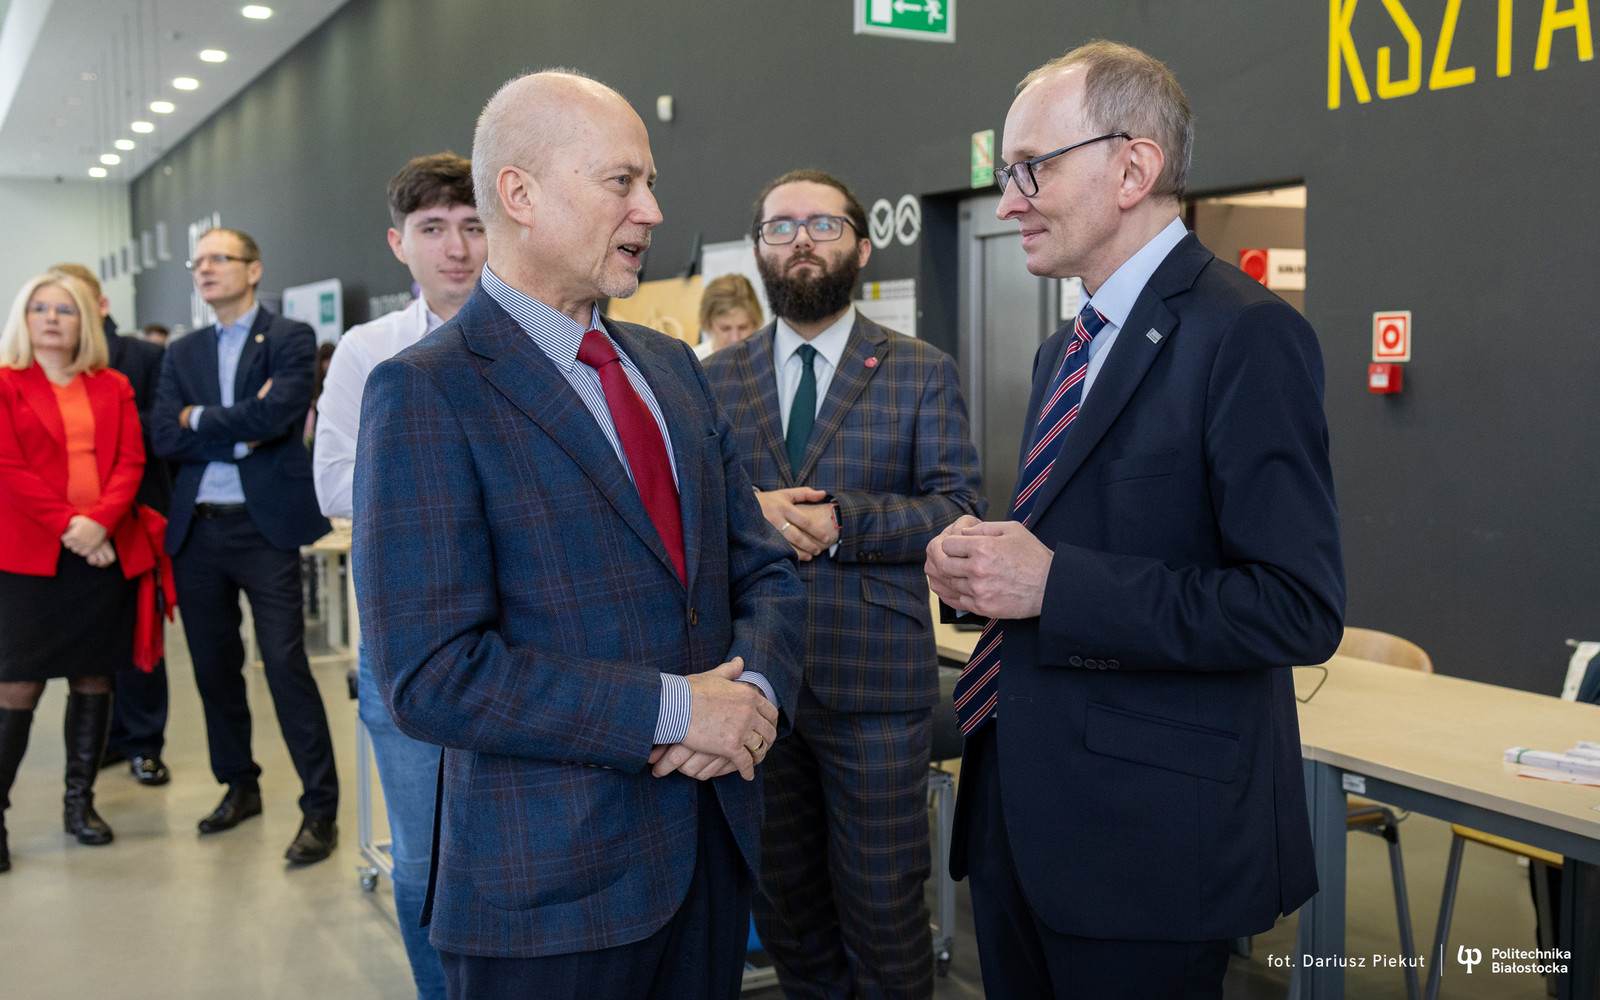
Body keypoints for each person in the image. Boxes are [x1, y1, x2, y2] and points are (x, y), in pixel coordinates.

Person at [353, 70, 805, 1000]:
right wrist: (676, 712)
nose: (651, 210)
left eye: (650, 183)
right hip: (550, 898)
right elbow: (431, 673)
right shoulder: (426, 391)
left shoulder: (673, 369)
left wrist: (753, 692)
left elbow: (759, 568)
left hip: (711, 856)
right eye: (621, 182)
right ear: (519, 194)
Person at [923, 42, 1345, 999]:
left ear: (1133, 168)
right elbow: (1083, 545)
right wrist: (980, 576)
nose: (1008, 201)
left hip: (1145, 845)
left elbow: (1296, 607)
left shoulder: (1247, 335)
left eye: (1031, 168)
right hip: (1020, 823)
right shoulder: (1064, 350)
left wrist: (1053, 583)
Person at [703, 169, 983, 999]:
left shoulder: (920, 370)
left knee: (883, 907)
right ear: (759, 249)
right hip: (753, 682)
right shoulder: (713, 379)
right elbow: (688, 514)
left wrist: (843, 524)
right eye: (780, 226)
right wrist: (746, 511)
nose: (800, 240)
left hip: (875, 686)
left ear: (862, 248)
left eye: (822, 224)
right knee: (786, 905)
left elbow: (958, 508)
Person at [313, 150, 487, 1000]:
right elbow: (333, 483)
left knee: (517, 853)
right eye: (432, 228)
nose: (455, 247)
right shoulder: (369, 351)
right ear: (399, 243)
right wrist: (470, 485)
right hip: (408, 641)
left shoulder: (538, 337)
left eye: (473, 225)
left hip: (526, 639)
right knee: (423, 854)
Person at [152, 227, 338, 864]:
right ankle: (239, 786)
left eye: (219, 258)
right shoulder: (183, 351)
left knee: (284, 665)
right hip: (198, 529)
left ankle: (320, 808)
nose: (204, 269)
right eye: (197, 261)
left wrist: (199, 421)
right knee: (214, 668)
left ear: (253, 269)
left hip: (264, 529)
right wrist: (233, 431)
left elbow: (278, 415)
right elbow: (164, 434)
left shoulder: (289, 337)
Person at [0, 273, 151, 870]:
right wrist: (74, 527)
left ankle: (79, 804)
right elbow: (8, 467)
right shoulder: (6, 383)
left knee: (94, 678)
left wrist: (100, 523)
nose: (51, 318)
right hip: (30, 557)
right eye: (39, 307)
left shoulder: (112, 384)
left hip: (101, 553)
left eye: (64, 309)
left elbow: (130, 461)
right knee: (18, 683)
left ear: (84, 320)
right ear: (23, 318)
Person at [50, 263, 174, 787]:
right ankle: (101, 743)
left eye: (71, 303)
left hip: (135, 517)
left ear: (100, 305)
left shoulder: (143, 358)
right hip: (70, 530)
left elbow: (163, 427)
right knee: (86, 647)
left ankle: (144, 743)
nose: (60, 315)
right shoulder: (46, 370)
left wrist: (104, 420)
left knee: (140, 637)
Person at [695, 273, 762, 360]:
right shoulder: (695, 361)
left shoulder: (767, 358)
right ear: (709, 323)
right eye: (725, 328)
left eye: (743, 327)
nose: (735, 338)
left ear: (755, 323)